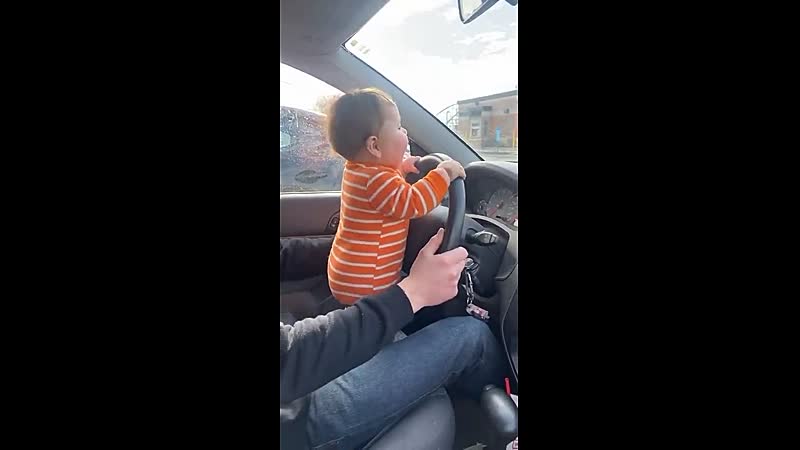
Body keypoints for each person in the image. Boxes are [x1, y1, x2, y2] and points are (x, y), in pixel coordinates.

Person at [280, 229, 505, 450]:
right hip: (296, 418)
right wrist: (413, 293)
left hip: (294, 385)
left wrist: (365, 247)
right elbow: (290, 356)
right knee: (469, 336)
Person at [323, 88, 466, 304]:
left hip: (349, 273)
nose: (405, 131)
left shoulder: (358, 171)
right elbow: (413, 202)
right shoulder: (377, 180)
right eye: (398, 127)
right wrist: (443, 174)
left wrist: (401, 168)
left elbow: (386, 191)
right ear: (374, 146)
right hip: (367, 285)